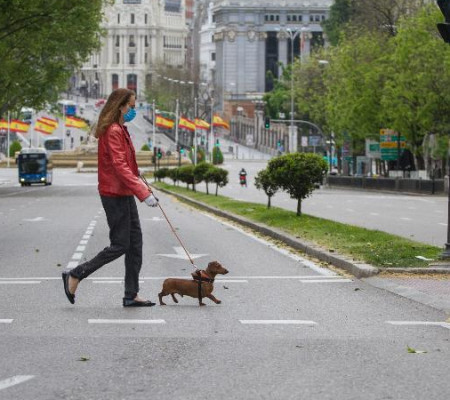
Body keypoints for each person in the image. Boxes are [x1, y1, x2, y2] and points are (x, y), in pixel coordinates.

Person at [62, 88, 159, 307]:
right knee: (120, 244)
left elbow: (127, 164)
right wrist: (144, 193)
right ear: (120, 106)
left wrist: (140, 180)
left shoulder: (120, 129)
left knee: (135, 244)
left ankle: (131, 294)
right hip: (114, 194)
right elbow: (119, 166)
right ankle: (76, 274)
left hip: (124, 192)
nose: (134, 110)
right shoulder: (113, 130)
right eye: (131, 106)